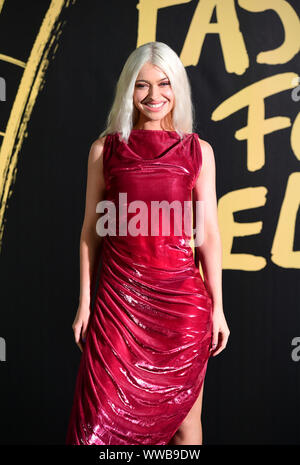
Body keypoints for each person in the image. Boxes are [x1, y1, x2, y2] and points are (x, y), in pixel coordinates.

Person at [65, 41, 230, 446]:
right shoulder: (105, 150)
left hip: (182, 309)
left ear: (178, 89)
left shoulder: (198, 152)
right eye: (142, 85)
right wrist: (85, 302)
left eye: (164, 84)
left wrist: (219, 310)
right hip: (119, 306)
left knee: (186, 426)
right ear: (128, 90)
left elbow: (208, 234)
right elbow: (91, 231)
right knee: (96, 430)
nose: (154, 96)